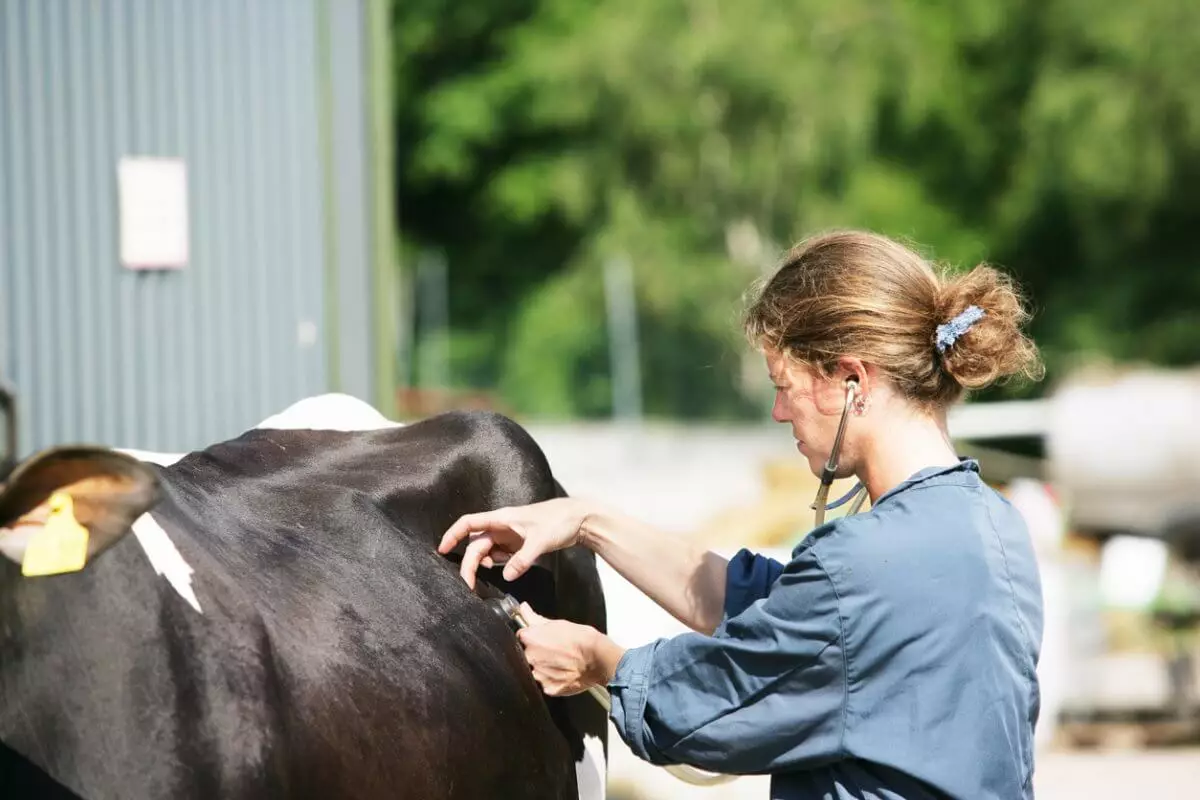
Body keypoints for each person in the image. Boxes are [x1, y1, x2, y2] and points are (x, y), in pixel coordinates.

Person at [439, 230, 1046, 800]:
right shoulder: (995, 527)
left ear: (852, 379)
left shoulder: (861, 569)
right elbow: (776, 611)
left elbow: (717, 700)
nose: (781, 413)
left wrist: (601, 663)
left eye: (783, 385)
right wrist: (587, 520)